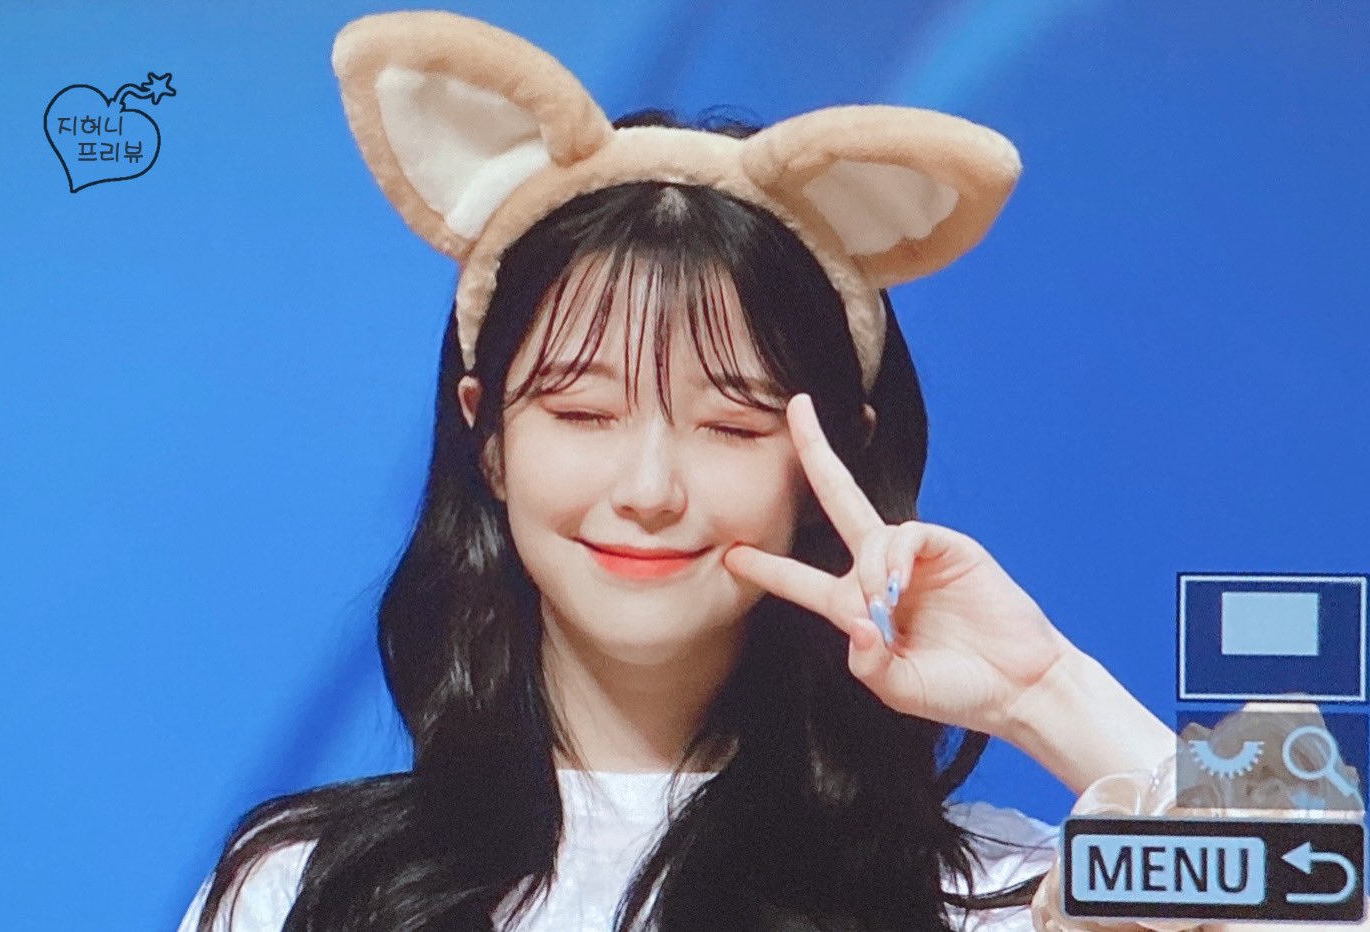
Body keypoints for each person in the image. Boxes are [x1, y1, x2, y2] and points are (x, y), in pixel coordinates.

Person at [176, 11, 1359, 932]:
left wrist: (1040, 690)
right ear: (487, 436)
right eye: (582, 410)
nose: (649, 485)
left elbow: (1314, 888)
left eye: (731, 425)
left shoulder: (981, 890)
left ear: (829, 454)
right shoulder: (307, 884)